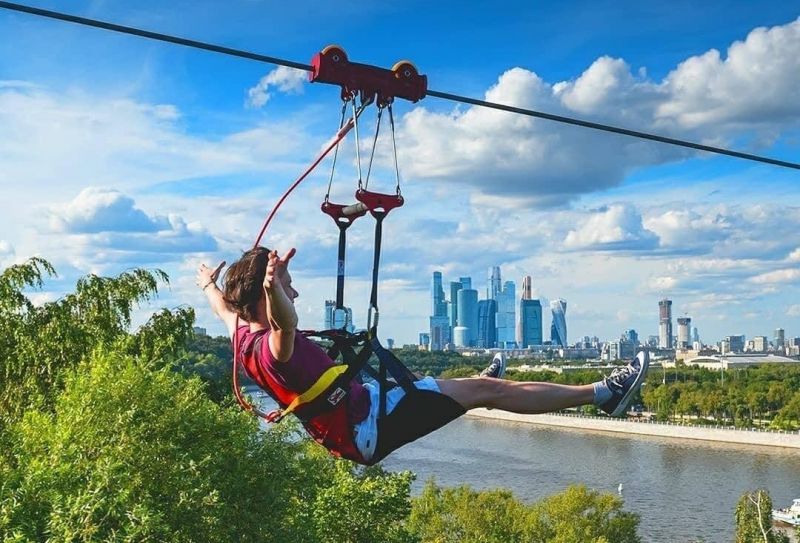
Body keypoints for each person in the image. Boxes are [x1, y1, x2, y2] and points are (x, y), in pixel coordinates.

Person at [197, 247, 649, 465]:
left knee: (445, 383)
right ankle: (602, 394)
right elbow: (285, 324)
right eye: (286, 286)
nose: (294, 289)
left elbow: (222, 306)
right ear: (266, 297)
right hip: (368, 427)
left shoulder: (241, 335)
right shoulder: (278, 350)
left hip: (367, 409)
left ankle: (471, 382)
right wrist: (275, 289)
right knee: (487, 391)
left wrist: (207, 283)